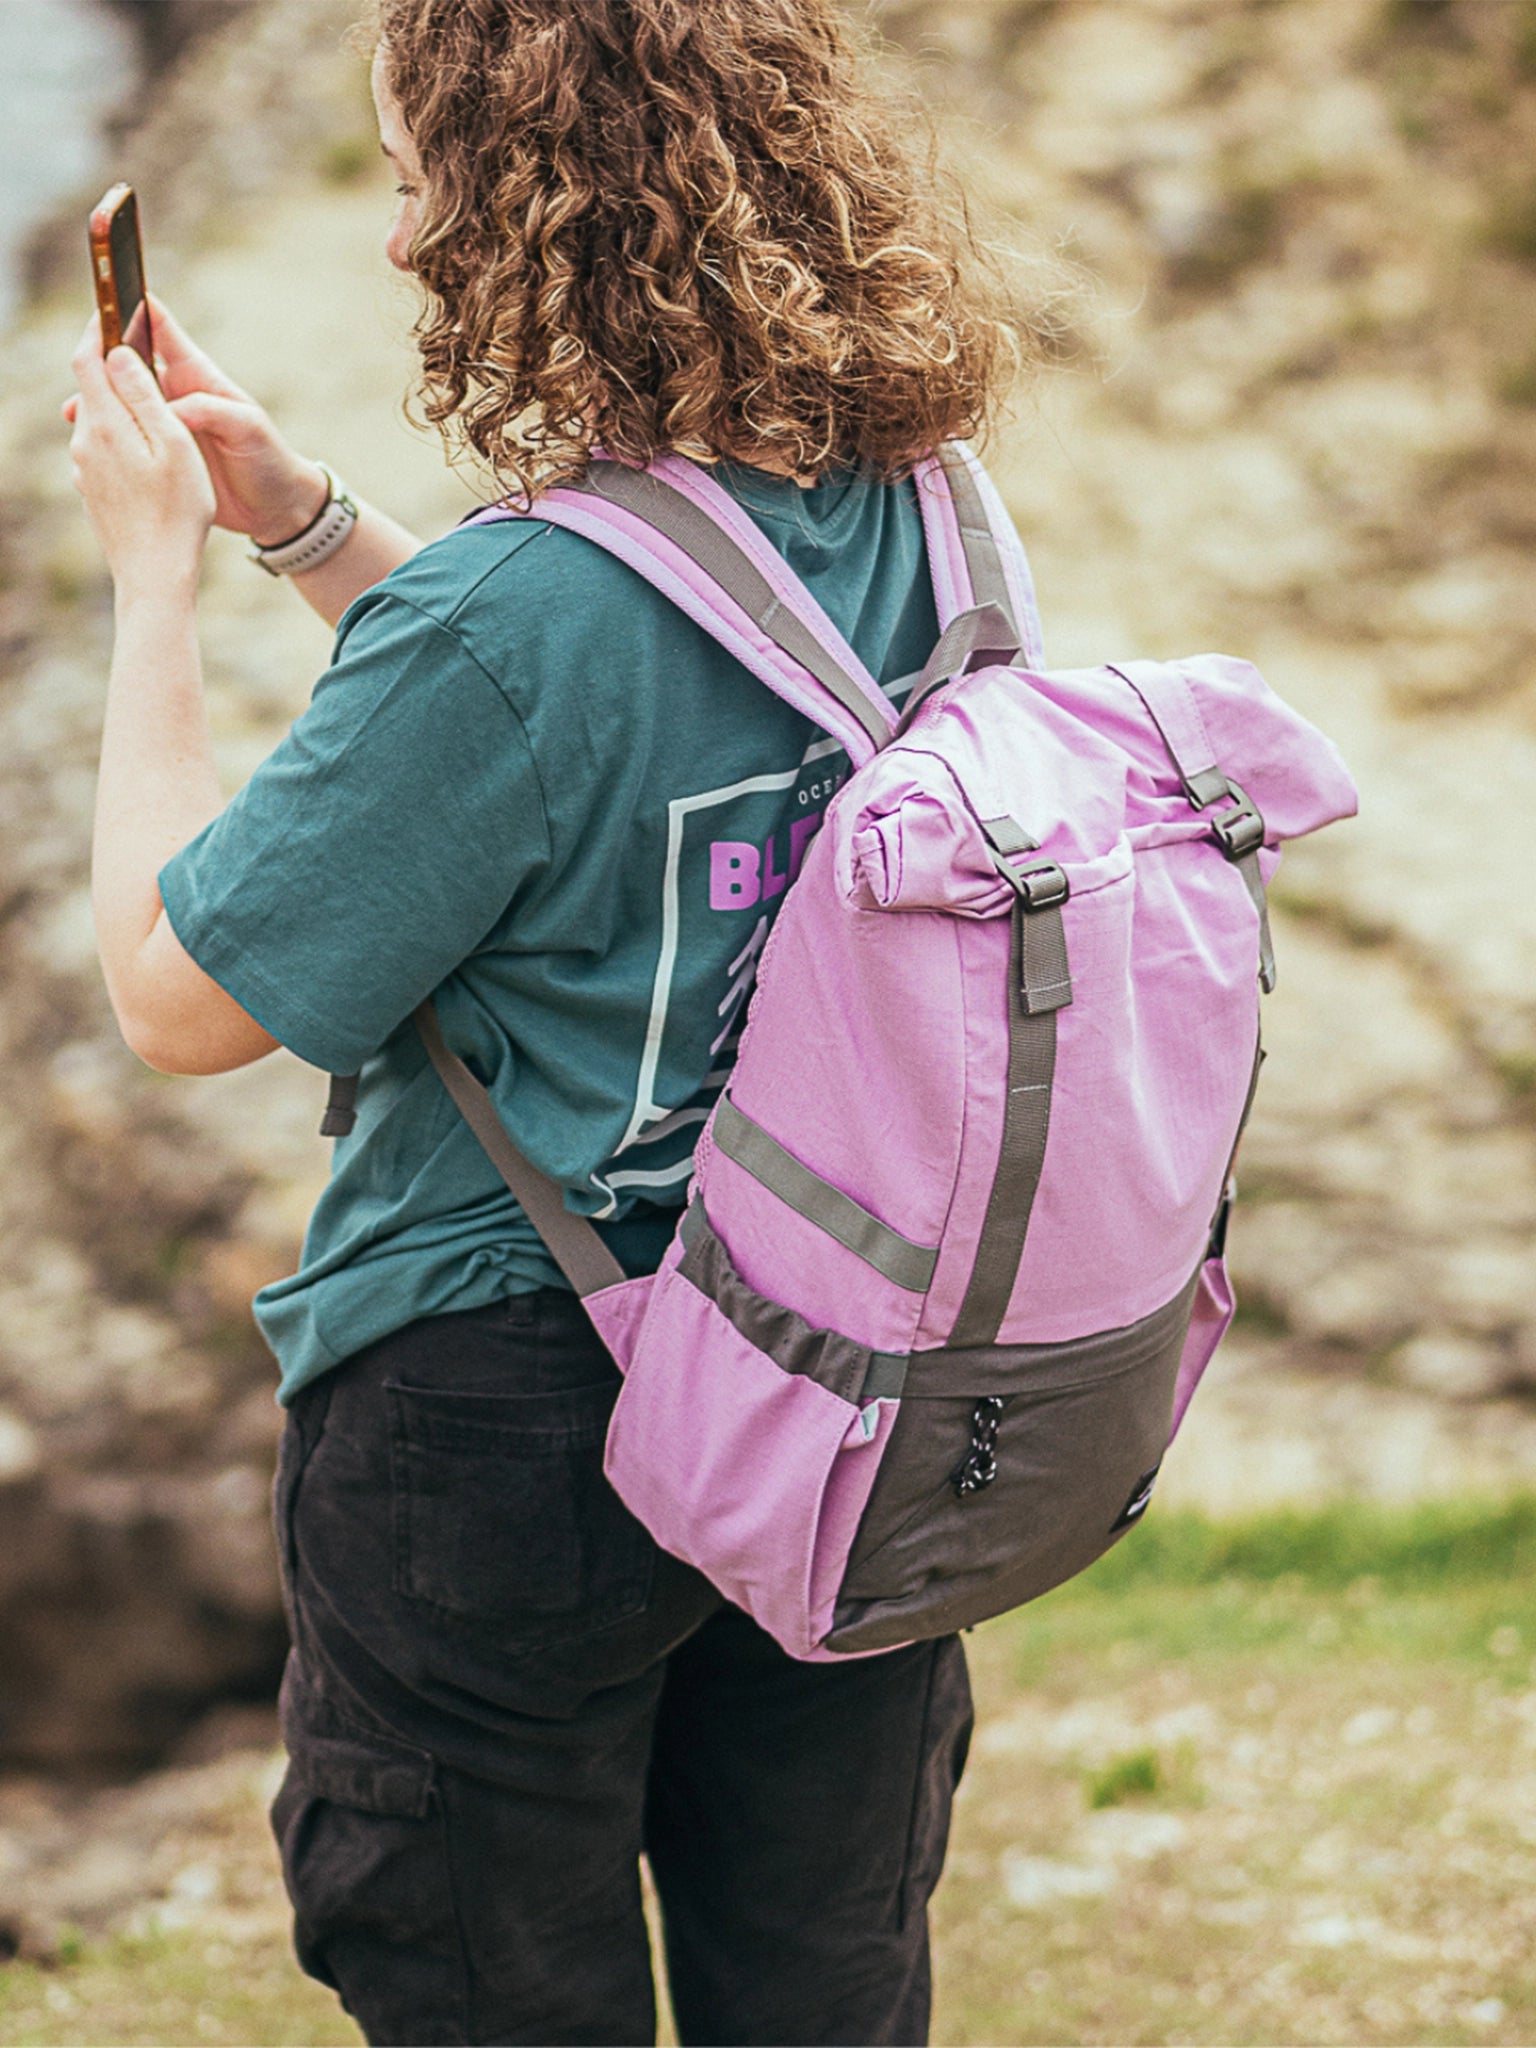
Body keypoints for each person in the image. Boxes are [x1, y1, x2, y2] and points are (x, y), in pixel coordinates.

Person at [68, 3, 1051, 2040]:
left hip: (505, 1421)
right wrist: (305, 522)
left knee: (495, 1984)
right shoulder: (934, 514)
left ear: (522, 205)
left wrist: (151, 583)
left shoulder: (509, 619)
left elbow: (174, 998)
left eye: (417, 177)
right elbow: (636, 680)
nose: (404, 228)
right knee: (823, 1976)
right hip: (844, 1361)